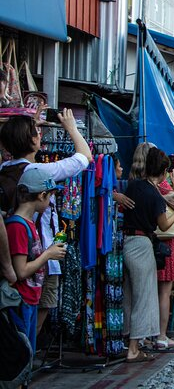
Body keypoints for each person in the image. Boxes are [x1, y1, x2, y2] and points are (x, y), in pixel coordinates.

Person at [0, 109, 91, 332]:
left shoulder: (4, 169)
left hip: (10, 248)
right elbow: (84, 157)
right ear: (32, 140)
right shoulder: (38, 171)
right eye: (36, 133)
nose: (40, 135)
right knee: (37, 309)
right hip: (39, 252)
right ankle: (25, 357)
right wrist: (70, 127)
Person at [122, 146, 174, 363]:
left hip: (126, 242)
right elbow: (163, 224)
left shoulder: (133, 187)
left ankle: (128, 340)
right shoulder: (155, 196)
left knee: (129, 295)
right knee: (144, 296)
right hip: (142, 245)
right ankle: (134, 349)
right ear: (163, 173)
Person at [6, 167, 67, 354]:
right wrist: (48, 255)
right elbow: (21, 271)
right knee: (22, 353)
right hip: (21, 300)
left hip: (30, 299)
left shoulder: (27, 223)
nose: (49, 203)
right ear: (41, 196)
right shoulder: (18, 226)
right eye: (49, 197)